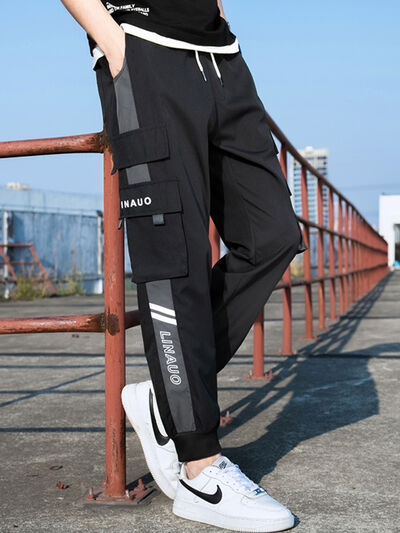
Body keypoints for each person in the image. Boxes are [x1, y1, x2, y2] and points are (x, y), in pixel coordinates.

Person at [61, 1, 307, 531]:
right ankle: (200, 471)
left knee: (273, 235)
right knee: (174, 259)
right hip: (143, 51)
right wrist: (113, 41)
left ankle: (166, 397)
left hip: (221, 56)